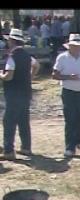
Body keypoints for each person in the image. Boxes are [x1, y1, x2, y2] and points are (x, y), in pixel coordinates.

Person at [0, 28, 40, 160]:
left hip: (13, 93)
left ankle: (8, 151)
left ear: (11, 41)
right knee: (23, 120)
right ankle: (26, 147)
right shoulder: (27, 55)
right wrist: (30, 77)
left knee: (9, 121)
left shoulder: (12, 57)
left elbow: (9, 77)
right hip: (25, 91)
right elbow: (37, 65)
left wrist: (1, 74)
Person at [52, 33, 80, 158]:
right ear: (69, 46)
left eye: (78, 46)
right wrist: (69, 77)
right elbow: (54, 75)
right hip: (68, 91)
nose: (76, 48)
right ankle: (70, 146)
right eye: (74, 45)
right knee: (70, 119)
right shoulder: (62, 58)